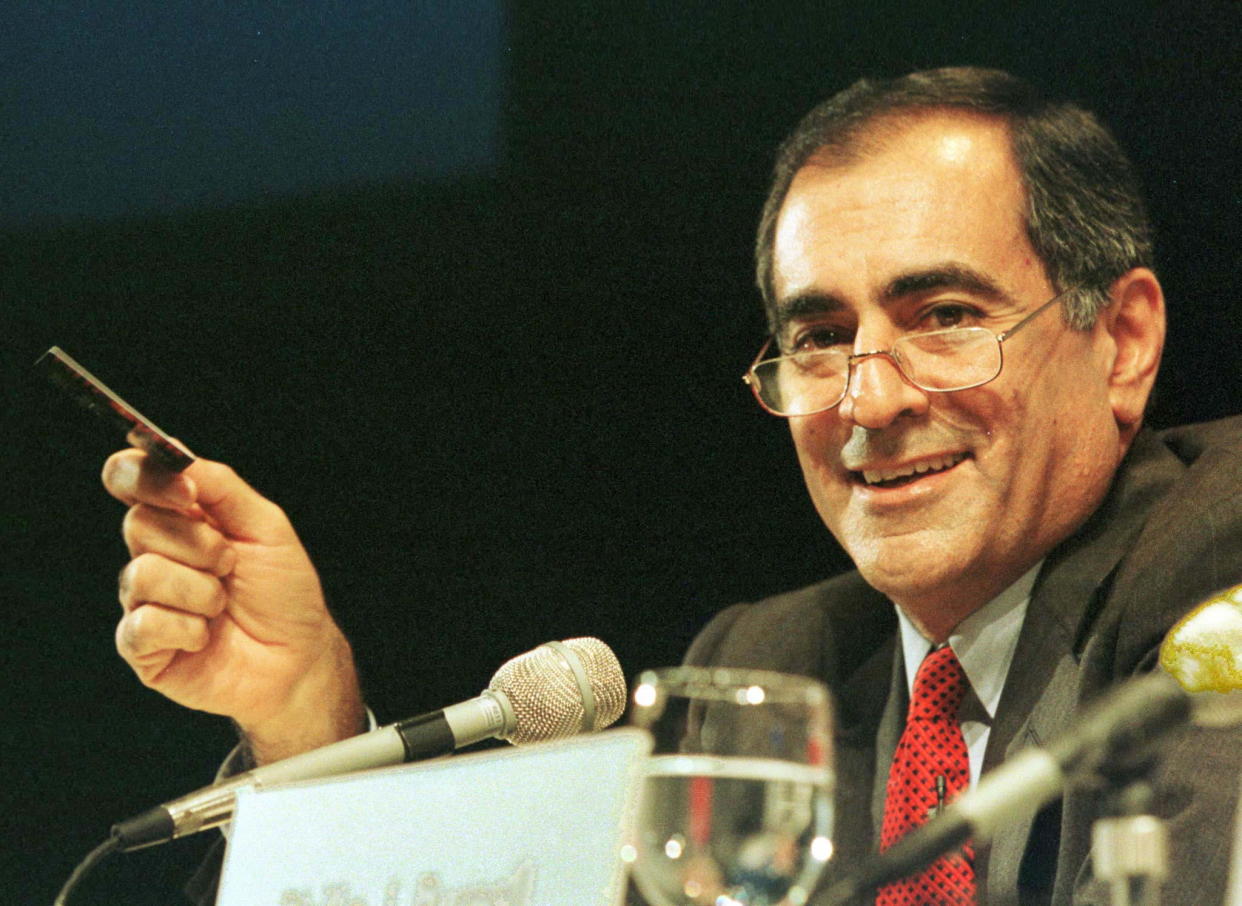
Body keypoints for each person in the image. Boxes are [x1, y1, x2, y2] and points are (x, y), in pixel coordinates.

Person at [102, 67, 1242, 905]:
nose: (870, 399)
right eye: (819, 338)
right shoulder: (766, 671)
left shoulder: (1219, 563)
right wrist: (303, 723)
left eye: (946, 318)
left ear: (1122, 341)